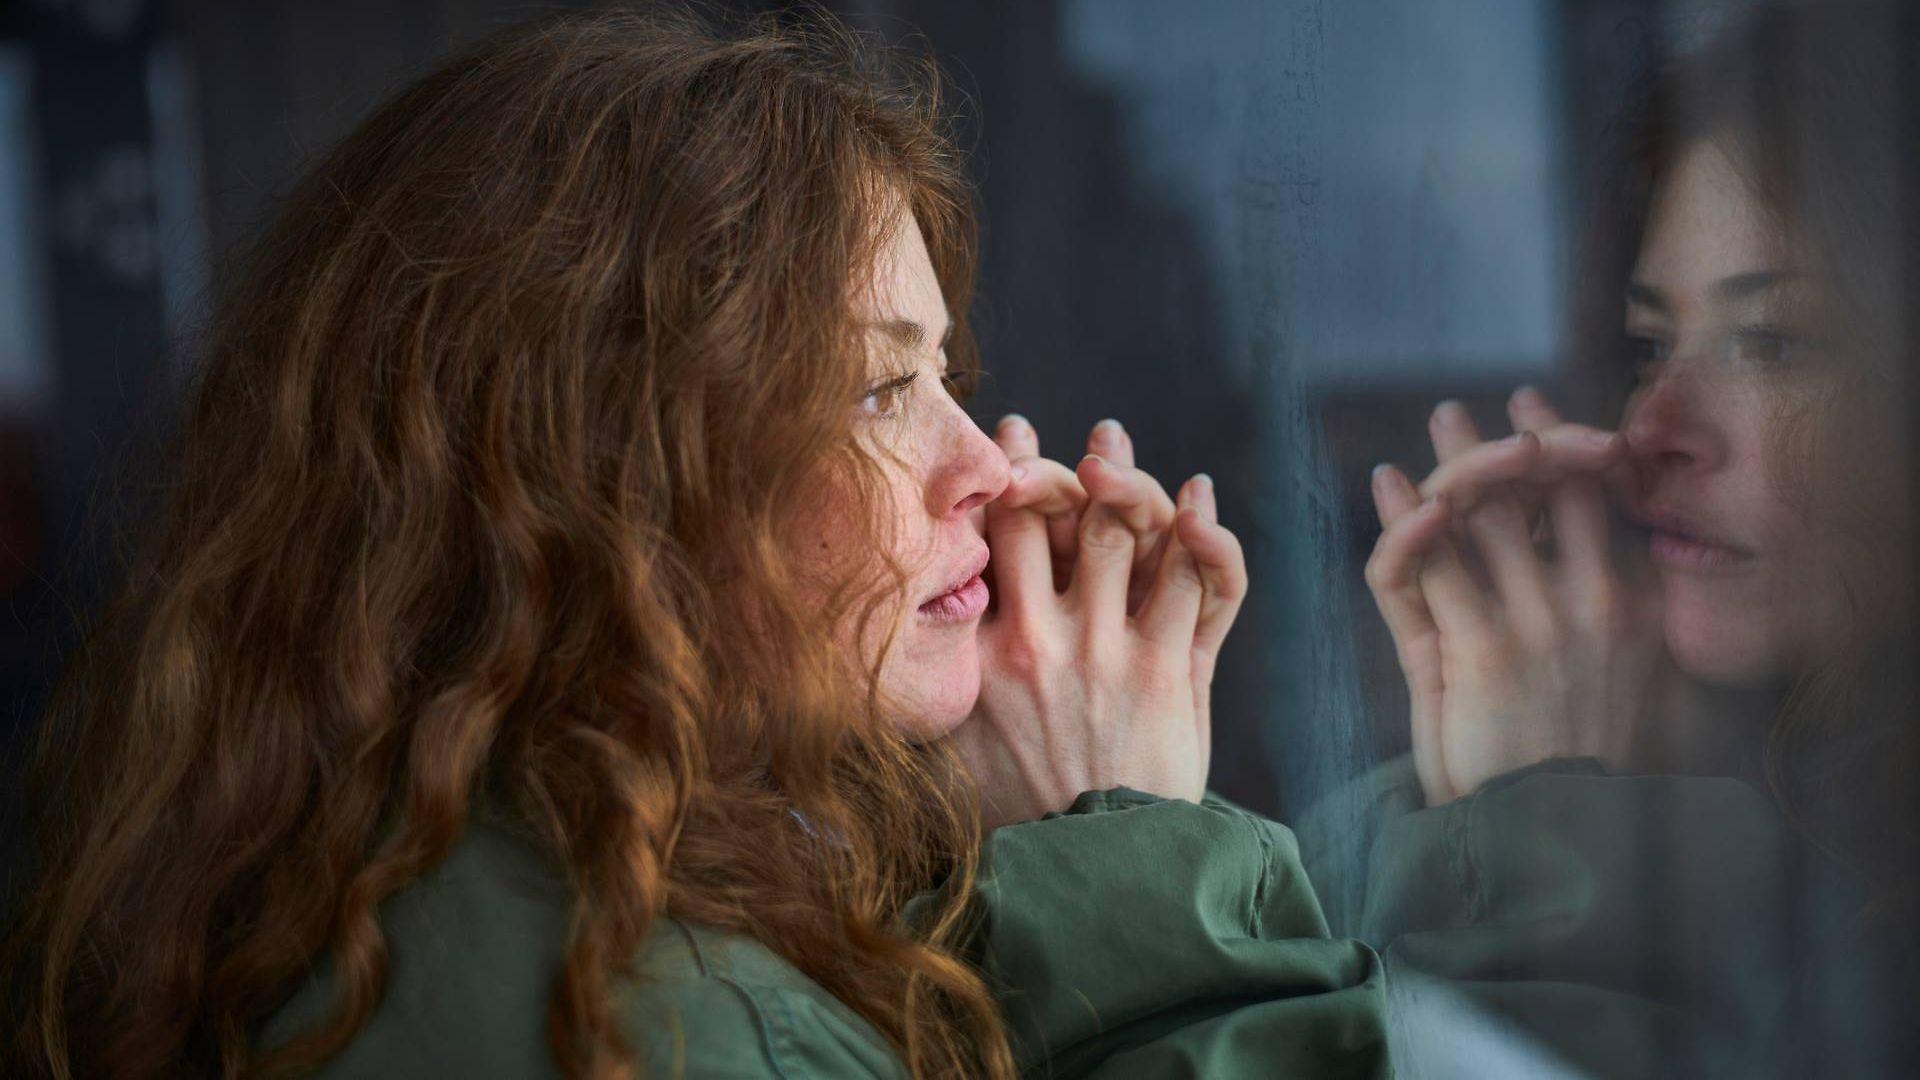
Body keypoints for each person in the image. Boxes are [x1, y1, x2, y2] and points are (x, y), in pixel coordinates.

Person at [0, 7, 1388, 1078]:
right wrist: (1136, 862)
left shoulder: (418, 869)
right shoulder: (658, 1014)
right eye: (877, 388)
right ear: (605, 477)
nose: (992, 467)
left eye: (946, 378)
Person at [1327, 0, 1920, 1075]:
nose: (1653, 429)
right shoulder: (1709, 768)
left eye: (1770, 342)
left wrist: (1542, 824)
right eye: (1650, 344)